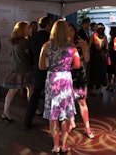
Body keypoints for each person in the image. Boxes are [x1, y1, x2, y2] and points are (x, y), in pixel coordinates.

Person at [39, 19, 81, 154]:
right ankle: (64, 145)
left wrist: (52, 65)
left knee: (54, 114)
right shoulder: (72, 47)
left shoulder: (46, 46)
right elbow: (78, 65)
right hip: (66, 79)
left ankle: (55, 145)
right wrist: (67, 66)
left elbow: (41, 66)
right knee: (65, 114)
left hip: (52, 80)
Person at [2, 21, 34, 122]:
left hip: (15, 68)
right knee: (30, 88)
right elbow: (30, 55)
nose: (29, 29)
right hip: (23, 69)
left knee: (12, 91)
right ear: (22, 30)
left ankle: (5, 112)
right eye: (27, 28)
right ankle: (32, 108)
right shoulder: (25, 42)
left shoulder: (14, 41)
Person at [24, 17, 51, 129]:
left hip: (37, 68)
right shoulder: (49, 37)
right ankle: (54, 120)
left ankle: (27, 120)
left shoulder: (33, 38)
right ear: (48, 25)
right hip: (48, 69)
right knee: (51, 94)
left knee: (35, 94)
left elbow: (30, 54)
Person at [68, 23, 94, 139]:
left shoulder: (80, 43)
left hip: (79, 76)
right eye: (67, 31)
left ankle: (87, 127)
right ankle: (72, 122)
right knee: (68, 102)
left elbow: (87, 59)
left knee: (82, 102)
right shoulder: (61, 45)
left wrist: (86, 49)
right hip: (67, 76)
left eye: (71, 30)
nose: (69, 33)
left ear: (75, 32)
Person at [88, 23, 108, 95]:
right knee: (101, 72)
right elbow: (106, 48)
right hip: (101, 56)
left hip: (95, 56)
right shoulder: (105, 37)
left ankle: (94, 89)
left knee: (95, 72)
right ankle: (101, 90)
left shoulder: (93, 36)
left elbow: (89, 46)